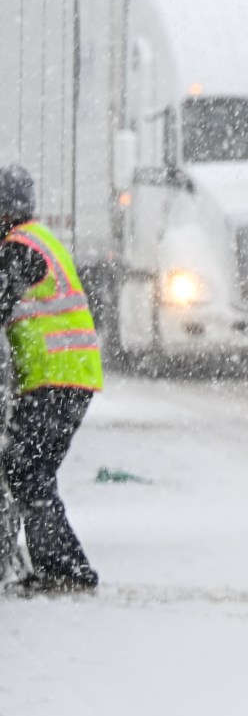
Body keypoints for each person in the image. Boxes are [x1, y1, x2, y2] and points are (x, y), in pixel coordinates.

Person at [0, 165, 102, 591]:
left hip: (56, 379)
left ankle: (66, 570)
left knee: (26, 470)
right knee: (30, 469)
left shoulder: (17, 249)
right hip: (66, 378)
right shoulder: (35, 239)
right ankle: (56, 566)